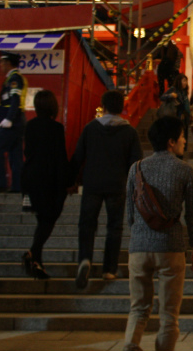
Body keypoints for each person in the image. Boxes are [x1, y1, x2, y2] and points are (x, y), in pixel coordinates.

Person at [123, 116, 193, 351]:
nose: (185, 141)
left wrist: (141, 233)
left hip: (139, 247)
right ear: (171, 141)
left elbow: (130, 214)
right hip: (171, 247)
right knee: (169, 315)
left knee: (138, 308)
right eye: (182, 136)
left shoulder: (136, 168)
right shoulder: (187, 171)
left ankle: (130, 344)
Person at [73, 90, 143, 289]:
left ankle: (85, 259)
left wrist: (72, 180)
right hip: (117, 185)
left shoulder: (90, 128)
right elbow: (136, 163)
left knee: (87, 224)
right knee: (114, 226)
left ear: (103, 107)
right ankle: (109, 269)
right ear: (122, 108)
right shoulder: (129, 132)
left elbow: (78, 157)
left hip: (92, 184)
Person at [21, 90, 72, 280]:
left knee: (42, 219)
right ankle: (33, 253)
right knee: (49, 217)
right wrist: (67, 181)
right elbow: (60, 157)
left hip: (30, 178)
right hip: (49, 179)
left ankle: (37, 262)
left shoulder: (30, 126)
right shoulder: (56, 128)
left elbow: (28, 152)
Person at [0, 51, 27, 193]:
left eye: (2, 62)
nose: (0, 65)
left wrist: (9, 119)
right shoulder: (12, 78)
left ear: (8, 63)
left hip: (12, 120)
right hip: (17, 120)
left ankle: (1, 184)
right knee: (15, 155)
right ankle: (17, 186)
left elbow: (15, 100)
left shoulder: (15, 78)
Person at [160, 74, 191, 147]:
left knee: (183, 133)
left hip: (183, 115)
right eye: (184, 81)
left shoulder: (184, 91)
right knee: (176, 133)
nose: (185, 83)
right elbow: (162, 97)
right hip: (175, 114)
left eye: (186, 81)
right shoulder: (173, 89)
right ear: (179, 81)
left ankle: (182, 149)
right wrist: (170, 95)